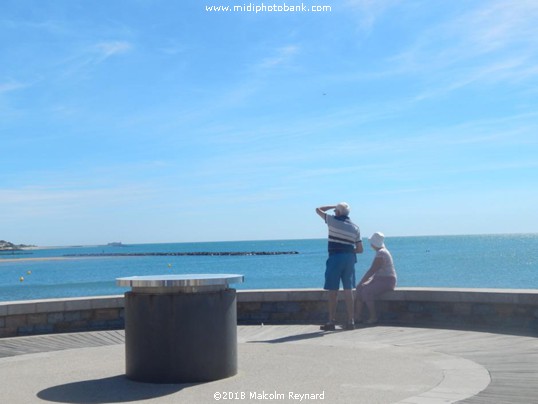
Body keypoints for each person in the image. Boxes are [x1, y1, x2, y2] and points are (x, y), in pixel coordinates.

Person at [316, 202, 363, 331]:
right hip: (349, 259)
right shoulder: (356, 227)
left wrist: (332, 206)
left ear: (338, 212)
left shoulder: (332, 220)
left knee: (333, 291)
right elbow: (360, 249)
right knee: (348, 290)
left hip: (335, 257)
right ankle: (351, 321)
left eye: (335, 210)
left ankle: (331, 321)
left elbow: (318, 209)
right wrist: (348, 250)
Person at [355, 232, 396, 324]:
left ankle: (373, 317)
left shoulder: (382, 253)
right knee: (360, 289)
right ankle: (357, 317)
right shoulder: (380, 252)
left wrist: (361, 281)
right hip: (379, 279)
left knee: (367, 291)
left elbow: (372, 270)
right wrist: (361, 284)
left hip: (387, 280)